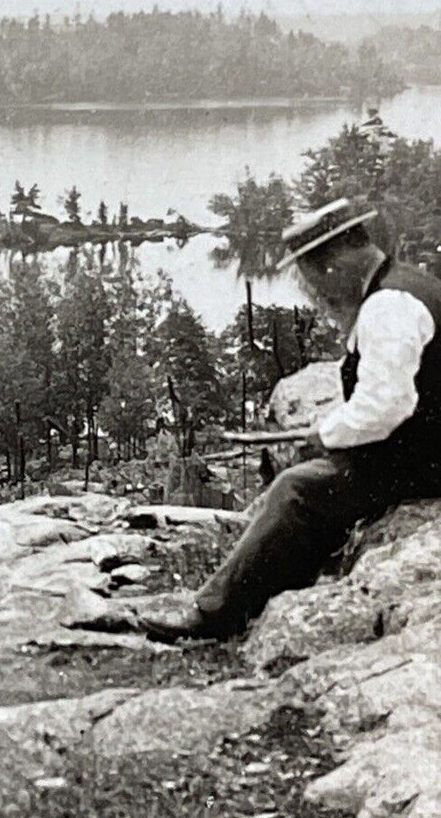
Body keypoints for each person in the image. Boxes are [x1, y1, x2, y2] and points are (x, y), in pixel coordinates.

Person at [141, 197, 441, 640]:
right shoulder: (407, 285)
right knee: (314, 485)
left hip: (423, 463)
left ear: (336, 261)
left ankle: (212, 617)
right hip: (423, 450)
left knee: (297, 489)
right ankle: (269, 589)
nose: (318, 291)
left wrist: (327, 433)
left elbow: (387, 406)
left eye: (313, 276)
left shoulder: (387, 305)